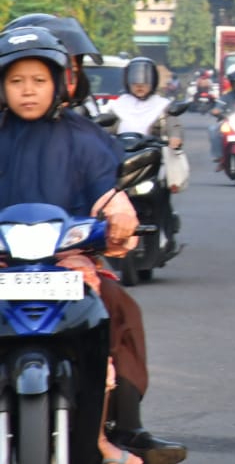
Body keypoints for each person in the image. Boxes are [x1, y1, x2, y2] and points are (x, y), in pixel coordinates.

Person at [0, 26, 187, 464]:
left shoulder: (85, 137)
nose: (28, 91)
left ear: (60, 82)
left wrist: (119, 217)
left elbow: (108, 193)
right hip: (3, 263)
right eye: (16, 81)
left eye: (39, 81)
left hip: (69, 261)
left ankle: (112, 427)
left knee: (116, 311)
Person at [112, 56, 185, 256]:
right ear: (128, 81)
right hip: (123, 161)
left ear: (152, 81)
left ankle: (166, 235)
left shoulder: (162, 106)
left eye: (144, 81)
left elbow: (174, 125)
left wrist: (174, 138)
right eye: (135, 81)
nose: (140, 86)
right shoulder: (118, 106)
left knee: (162, 194)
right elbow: (104, 126)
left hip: (153, 160)